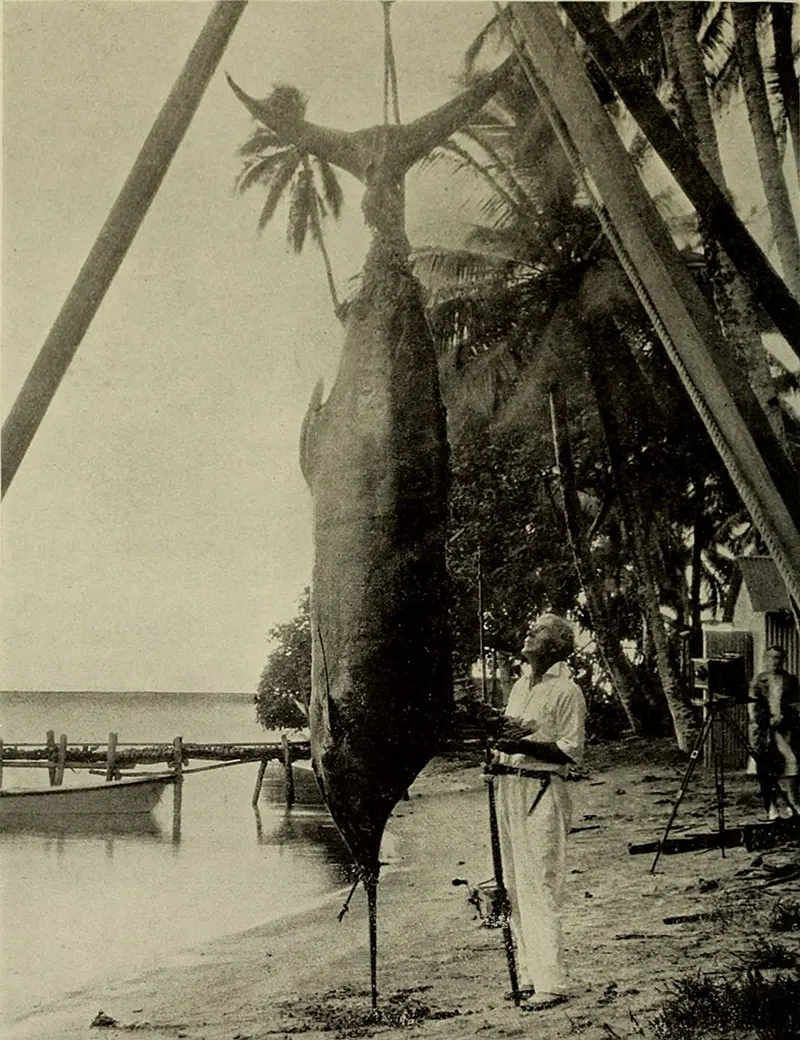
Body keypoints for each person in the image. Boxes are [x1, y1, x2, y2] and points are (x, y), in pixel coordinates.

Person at [489, 612, 587, 1013]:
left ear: (557, 644)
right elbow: (510, 736)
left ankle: (552, 982)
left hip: (542, 789)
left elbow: (570, 751)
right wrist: (497, 748)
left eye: (540, 630)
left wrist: (522, 748)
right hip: (507, 786)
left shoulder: (567, 691)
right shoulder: (517, 686)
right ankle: (528, 975)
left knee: (541, 884)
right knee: (512, 885)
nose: (530, 632)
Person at [748, 645, 800, 820]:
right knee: (767, 768)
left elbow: (796, 704)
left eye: (778, 658)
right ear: (765, 659)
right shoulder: (758, 681)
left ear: (782, 660)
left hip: (785, 729)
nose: (774, 661)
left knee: (792, 762)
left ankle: (793, 802)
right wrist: (767, 720)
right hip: (765, 732)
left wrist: (785, 715)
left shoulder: (790, 680)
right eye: (771, 657)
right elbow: (753, 707)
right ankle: (771, 807)